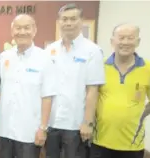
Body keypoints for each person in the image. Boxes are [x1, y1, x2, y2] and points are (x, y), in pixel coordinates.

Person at [90, 24, 150, 158]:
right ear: (112, 41)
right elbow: (90, 95)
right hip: (99, 142)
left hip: (132, 144)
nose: (125, 42)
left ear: (138, 42)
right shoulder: (100, 66)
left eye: (130, 38)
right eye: (121, 38)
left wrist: (141, 115)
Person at [0, 14, 56, 158]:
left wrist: (43, 128)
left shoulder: (45, 59)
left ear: (34, 30)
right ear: (12, 31)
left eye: (27, 28)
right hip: (4, 129)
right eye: (18, 28)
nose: (22, 32)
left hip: (29, 132)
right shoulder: (4, 57)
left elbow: (47, 97)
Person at [44, 3, 105, 158]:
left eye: (73, 19)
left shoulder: (92, 51)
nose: (68, 23)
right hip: (51, 122)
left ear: (81, 21)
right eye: (65, 19)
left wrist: (88, 122)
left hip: (76, 125)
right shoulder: (50, 50)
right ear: (59, 21)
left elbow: (93, 90)